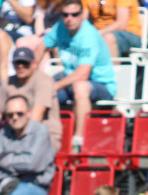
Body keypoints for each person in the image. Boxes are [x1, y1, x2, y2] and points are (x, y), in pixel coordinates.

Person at [38, 0, 116, 146]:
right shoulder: (60, 27)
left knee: (79, 86)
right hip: (71, 80)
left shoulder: (88, 35)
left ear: (82, 15)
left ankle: (78, 141)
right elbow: (41, 46)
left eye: (74, 14)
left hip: (101, 84)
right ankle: (39, 136)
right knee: (41, 87)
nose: (69, 19)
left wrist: (54, 87)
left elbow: (82, 74)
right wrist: (33, 74)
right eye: (65, 15)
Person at [0, 47, 61, 164]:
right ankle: (4, 170)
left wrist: (21, 141)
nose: (21, 66)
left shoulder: (43, 81)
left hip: (43, 137)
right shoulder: (9, 82)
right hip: (13, 136)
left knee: (11, 158)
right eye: (17, 63)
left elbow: (38, 113)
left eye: (25, 63)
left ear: (34, 64)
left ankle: (3, 168)